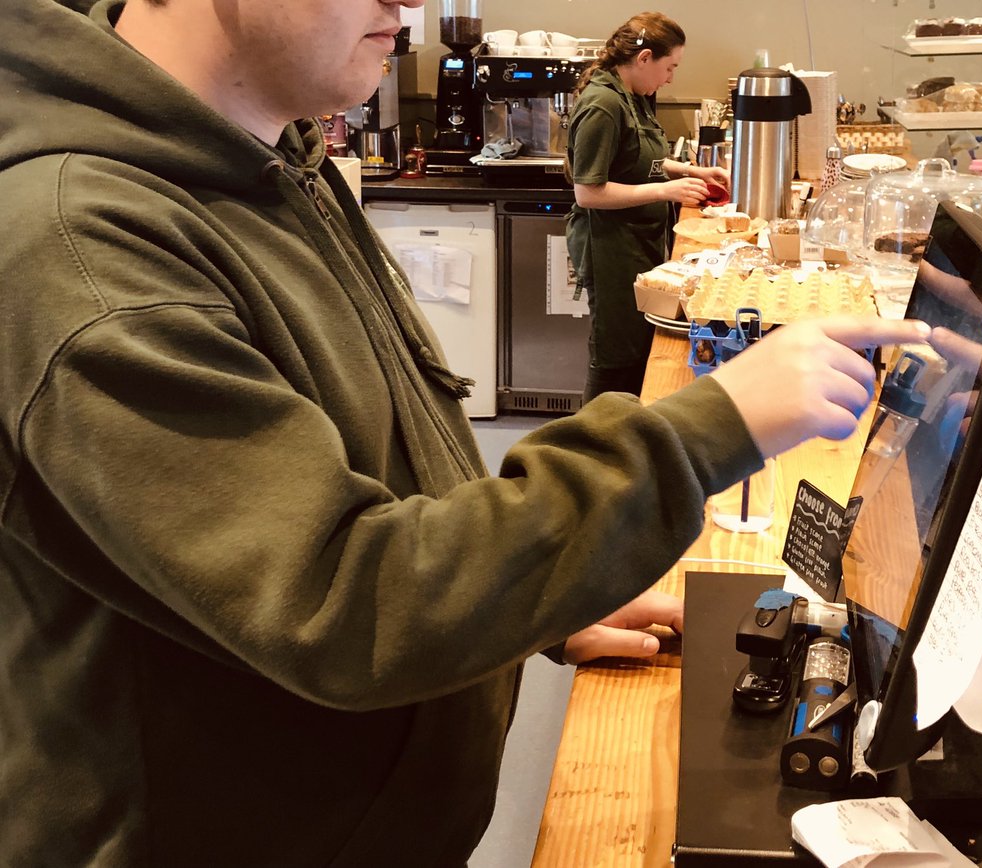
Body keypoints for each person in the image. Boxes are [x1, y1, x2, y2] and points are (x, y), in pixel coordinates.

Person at [0, 1, 929, 865]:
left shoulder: (277, 159)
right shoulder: (89, 249)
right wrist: (708, 428)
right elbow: (342, 602)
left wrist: (535, 598)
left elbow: (376, 483)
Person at [566, 12, 728, 403]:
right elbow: (588, 192)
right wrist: (665, 192)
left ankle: (627, 441)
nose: (671, 77)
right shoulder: (603, 105)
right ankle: (591, 447)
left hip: (637, 242)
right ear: (644, 59)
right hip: (611, 249)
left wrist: (692, 170)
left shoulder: (633, 97)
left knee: (640, 352)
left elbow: (643, 161)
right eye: (669, 66)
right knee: (615, 357)